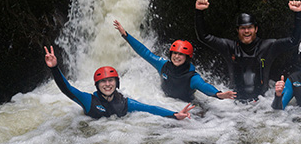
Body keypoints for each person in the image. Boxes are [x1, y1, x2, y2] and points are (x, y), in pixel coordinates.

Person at [195, 0, 301, 101]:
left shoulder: (268, 47)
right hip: (233, 105)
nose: (246, 31)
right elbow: (203, 37)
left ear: (256, 29)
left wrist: (298, 14)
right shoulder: (229, 47)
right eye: (243, 28)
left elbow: (294, 40)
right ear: (237, 30)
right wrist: (199, 12)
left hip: (261, 104)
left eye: (250, 27)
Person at [43, 46, 194, 119]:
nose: (107, 84)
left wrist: (174, 114)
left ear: (117, 83)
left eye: (110, 81)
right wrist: (55, 68)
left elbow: (150, 109)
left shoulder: (124, 103)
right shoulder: (89, 100)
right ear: (97, 85)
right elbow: (67, 89)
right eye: (103, 82)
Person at [113, 20, 236, 102]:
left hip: (183, 105)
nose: (176, 57)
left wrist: (218, 94)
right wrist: (125, 35)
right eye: (175, 53)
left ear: (187, 57)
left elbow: (203, 86)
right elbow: (145, 53)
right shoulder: (162, 65)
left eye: (181, 55)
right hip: (165, 102)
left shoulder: (192, 77)